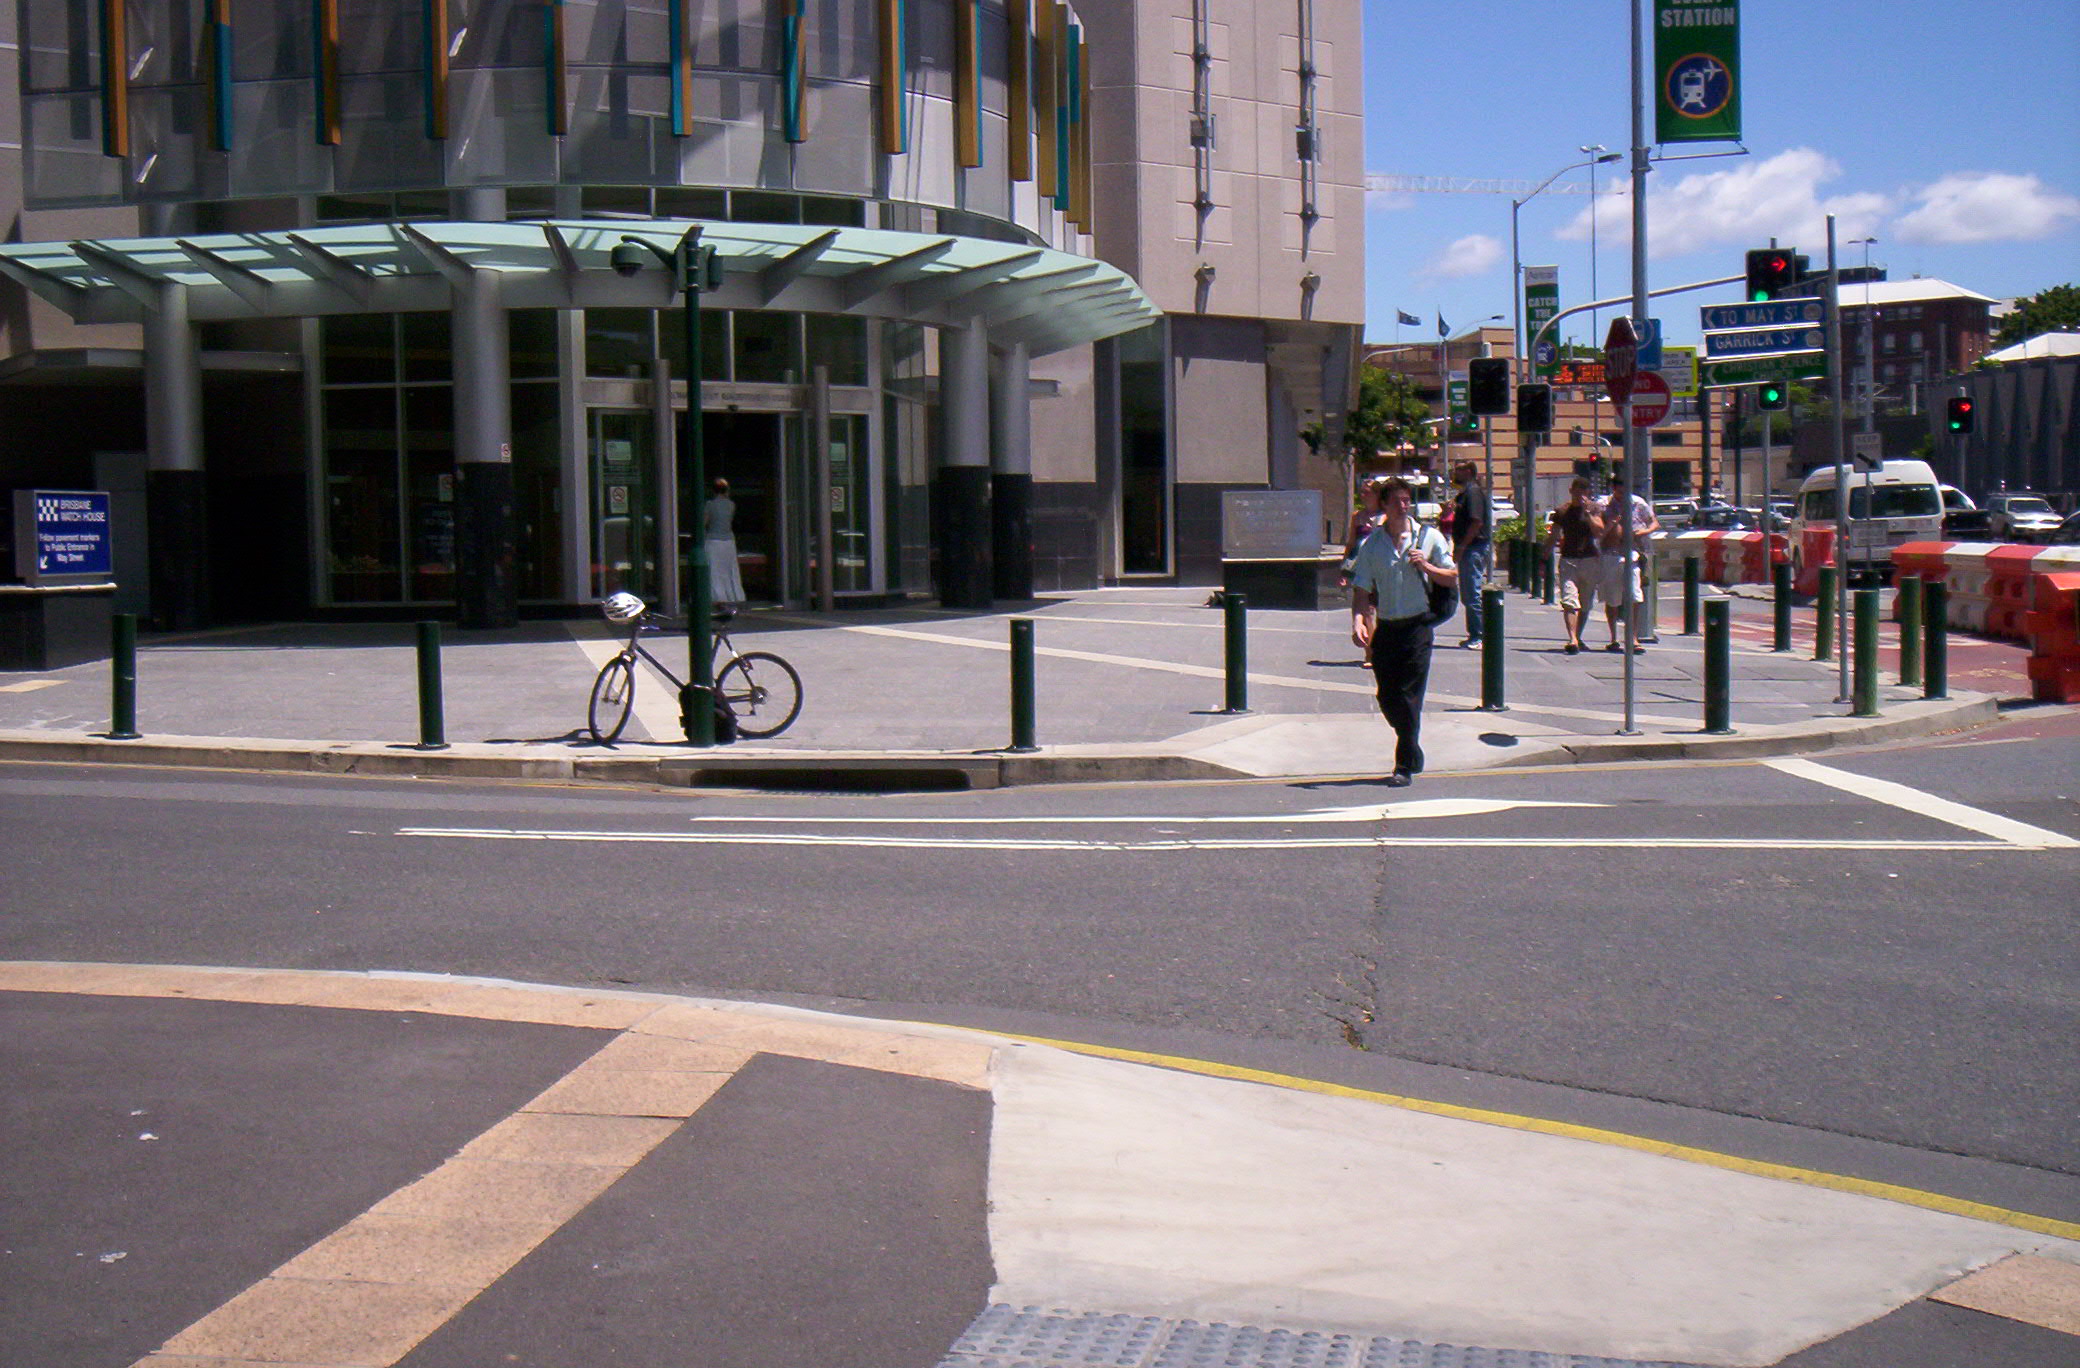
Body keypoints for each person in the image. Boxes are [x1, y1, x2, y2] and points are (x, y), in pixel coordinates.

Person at [1348, 476, 1456, 787]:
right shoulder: (1373, 545)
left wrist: (1427, 567)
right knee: (1388, 698)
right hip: (1387, 630)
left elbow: (1451, 577)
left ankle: (1403, 765)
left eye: (1406, 500)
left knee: (1409, 698)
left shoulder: (1429, 537)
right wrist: (1357, 620)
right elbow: (1362, 589)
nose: (1402, 506)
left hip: (1418, 627)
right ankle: (1413, 747)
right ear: (1383, 505)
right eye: (1396, 501)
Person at [1598, 481, 1661, 652]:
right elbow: (1598, 532)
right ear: (1614, 490)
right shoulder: (1604, 505)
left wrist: (1645, 532)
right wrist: (1610, 524)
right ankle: (1613, 638)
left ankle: (1633, 638)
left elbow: (1654, 523)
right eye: (1619, 492)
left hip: (1633, 553)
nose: (1622, 496)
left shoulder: (1639, 503)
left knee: (1634, 595)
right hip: (1611, 554)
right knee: (1612, 598)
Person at [1552, 476, 1604, 654]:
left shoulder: (1594, 509)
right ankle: (1572, 639)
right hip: (1568, 559)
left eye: (1584, 490)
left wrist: (1588, 513)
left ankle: (1578, 636)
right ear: (1571, 490)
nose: (1580, 493)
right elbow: (1554, 535)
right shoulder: (1562, 511)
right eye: (1577, 489)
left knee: (1585, 602)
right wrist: (1544, 556)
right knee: (1569, 600)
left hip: (1589, 559)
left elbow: (1599, 531)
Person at [1450, 461, 1491, 646]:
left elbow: (1476, 522)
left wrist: (1462, 547)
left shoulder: (1473, 492)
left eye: (1458, 469)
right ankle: (1474, 633)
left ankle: (1479, 635)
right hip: (1469, 548)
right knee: (1467, 593)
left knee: (1472, 592)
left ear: (1468, 471)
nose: (1455, 472)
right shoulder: (1466, 493)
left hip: (1473, 548)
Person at [704, 477, 746, 609]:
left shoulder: (710, 504)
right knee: (729, 569)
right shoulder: (731, 505)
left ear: (713, 491)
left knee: (714, 570)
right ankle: (734, 595)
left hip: (713, 540)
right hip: (728, 540)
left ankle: (717, 596)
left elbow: (704, 522)